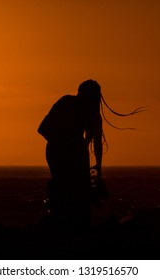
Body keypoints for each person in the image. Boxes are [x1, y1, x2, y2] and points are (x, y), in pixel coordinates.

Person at [38, 80, 104, 228]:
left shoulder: (93, 115)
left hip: (76, 152)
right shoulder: (66, 103)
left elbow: (98, 144)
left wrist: (98, 167)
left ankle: (75, 223)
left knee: (79, 188)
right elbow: (43, 128)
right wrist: (62, 143)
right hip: (60, 151)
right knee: (62, 185)